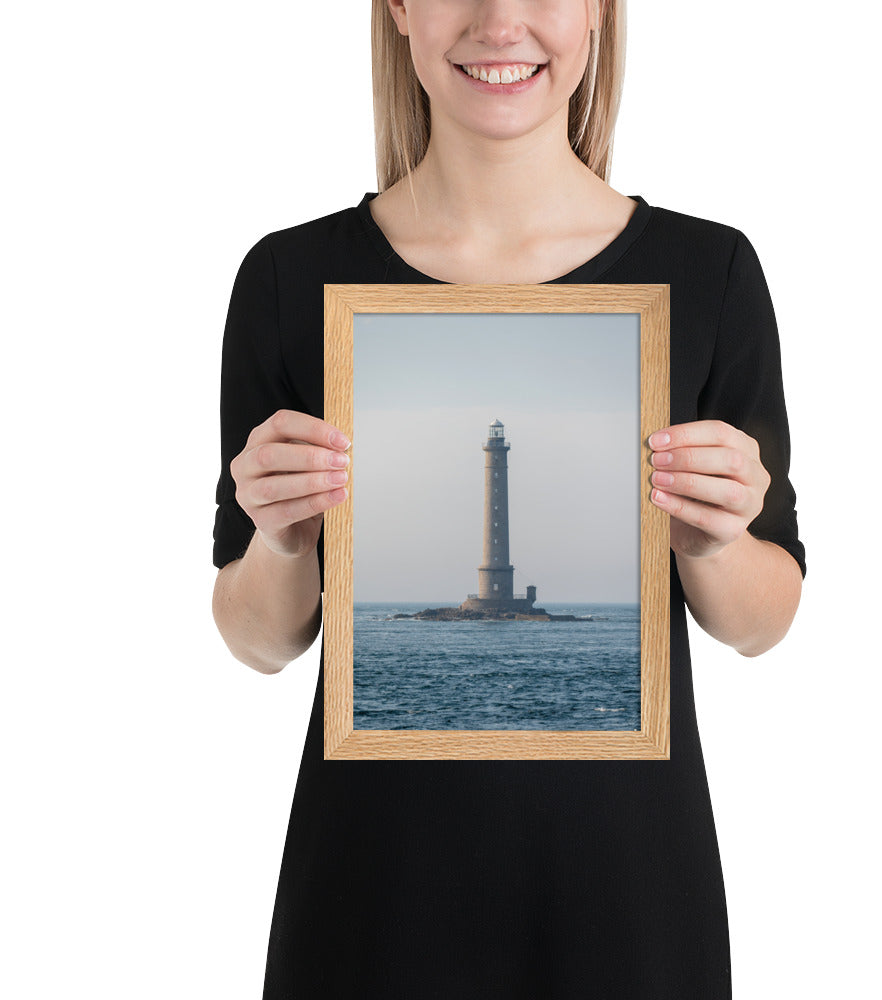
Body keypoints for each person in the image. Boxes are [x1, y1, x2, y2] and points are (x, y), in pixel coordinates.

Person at [212, 1, 806, 996]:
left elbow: (764, 619)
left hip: (629, 905)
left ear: (598, 14)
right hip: (370, 903)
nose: (500, 19)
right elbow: (258, 639)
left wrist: (712, 542)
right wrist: (281, 541)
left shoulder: (710, 275)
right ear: (399, 9)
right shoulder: (290, 278)